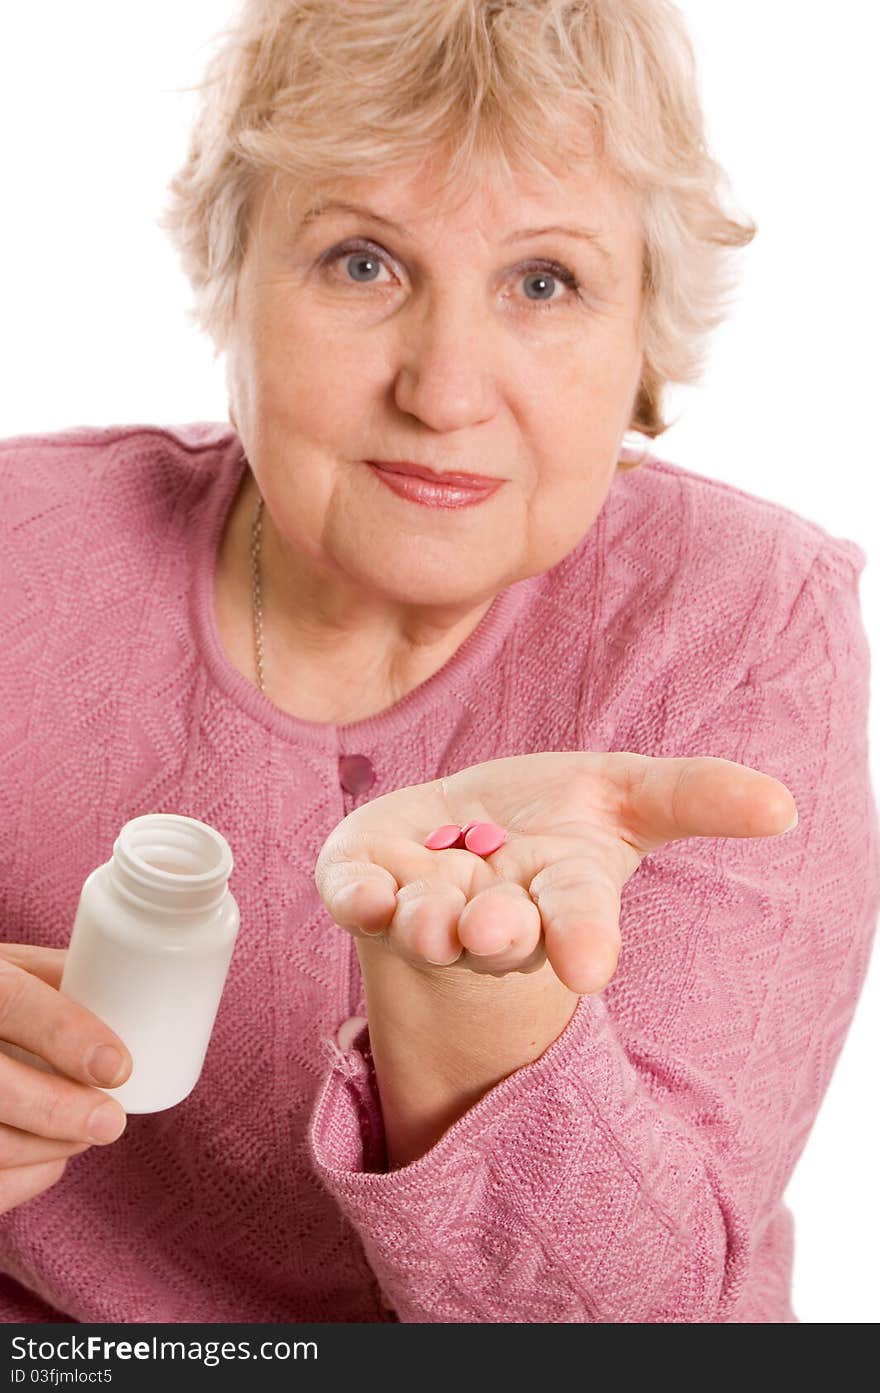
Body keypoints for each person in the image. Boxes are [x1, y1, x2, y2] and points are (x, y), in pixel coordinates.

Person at [0, 0, 877, 1325]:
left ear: (643, 336)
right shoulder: (22, 551)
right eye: (362, 262)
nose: (447, 387)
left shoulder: (750, 619)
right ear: (229, 274)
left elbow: (638, 1332)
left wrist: (484, 1006)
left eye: (543, 281)